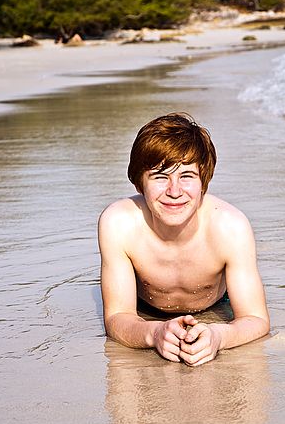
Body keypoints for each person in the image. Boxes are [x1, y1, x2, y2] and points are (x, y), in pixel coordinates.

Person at [98, 112, 270, 366]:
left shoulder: (231, 227)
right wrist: (153, 333)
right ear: (139, 184)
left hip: (215, 303)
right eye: (159, 176)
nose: (174, 191)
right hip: (145, 307)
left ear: (204, 182)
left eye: (187, 176)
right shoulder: (119, 223)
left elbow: (256, 319)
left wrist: (218, 336)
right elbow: (117, 316)